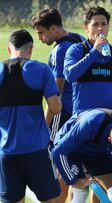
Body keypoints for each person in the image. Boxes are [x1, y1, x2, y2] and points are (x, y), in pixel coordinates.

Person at [0, 29, 62, 203]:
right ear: (31, 49)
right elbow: (56, 108)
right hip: (36, 150)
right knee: (52, 200)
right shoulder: (41, 70)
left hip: (6, 153)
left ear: (8, 49)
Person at [31, 8, 85, 202]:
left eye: (41, 32)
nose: (40, 38)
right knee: (72, 160)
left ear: (53, 29)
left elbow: (56, 94)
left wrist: (45, 124)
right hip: (80, 112)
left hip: (63, 114)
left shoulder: (59, 51)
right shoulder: (78, 39)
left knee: (57, 160)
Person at [51, 108, 112, 203]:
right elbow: (57, 152)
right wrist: (74, 182)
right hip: (71, 149)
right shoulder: (90, 123)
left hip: (97, 151)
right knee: (81, 190)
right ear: (110, 139)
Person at [64, 6, 112, 115]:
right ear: (86, 28)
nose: (100, 28)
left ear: (108, 27)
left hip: (106, 118)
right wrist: (94, 53)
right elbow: (69, 75)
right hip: (82, 117)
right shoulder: (77, 50)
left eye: (104, 24)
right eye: (95, 25)